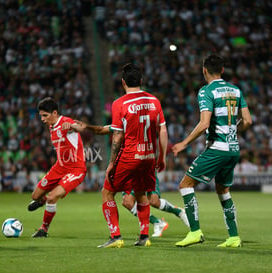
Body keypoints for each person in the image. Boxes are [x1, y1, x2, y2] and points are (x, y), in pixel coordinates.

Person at [172, 54, 252, 248]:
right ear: (222, 70)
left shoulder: (206, 91)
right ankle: (233, 237)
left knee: (185, 185)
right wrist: (234, 131)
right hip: (233, 149)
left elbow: (204, 123)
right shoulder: (235, 90)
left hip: (217, 148)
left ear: (204, 70)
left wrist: (184, 143)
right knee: (223, 189)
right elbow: (248, 121)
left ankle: (195, 232)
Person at [94, 63, 168, 248]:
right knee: (142, 193)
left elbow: (117, 136)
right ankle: (144, 237)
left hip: (129, 156)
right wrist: (162, 157)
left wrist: (112, 163)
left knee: (107, 192)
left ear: (123, 83)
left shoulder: (120, 103)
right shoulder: (154, 101)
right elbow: (163, 130)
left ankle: (116, 236)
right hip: (149, 156)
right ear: (141, 81)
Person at [74, 120, 190, 237]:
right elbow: (101, 129)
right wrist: (87, 126)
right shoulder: (120, 126)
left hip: (144, 165)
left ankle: (179, 212)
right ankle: (157, 223)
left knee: (154, 201)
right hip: (128, 167)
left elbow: (160, 132)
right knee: (127, 202)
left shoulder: (140, 124)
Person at [27, 97, 87, 237]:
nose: (42, 119)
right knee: (35, 196)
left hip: (76, 169)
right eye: (41, 115)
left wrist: (73, 127)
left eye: (45, 115)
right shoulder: (51, 125)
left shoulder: (66, 122)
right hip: (59, 167)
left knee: (52, 197)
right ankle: (41, 201)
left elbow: (81, 128)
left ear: (55, 113)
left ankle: (44, 230)